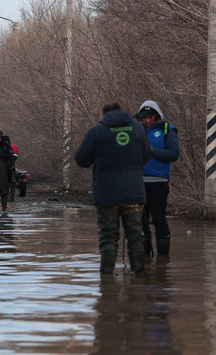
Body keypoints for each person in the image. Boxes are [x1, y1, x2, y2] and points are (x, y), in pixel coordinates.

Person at [74, 103, 151, 274]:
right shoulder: (139, 130)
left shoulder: (96, 131)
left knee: (108, 238)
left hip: (107, 194)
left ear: (104, 115)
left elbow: (81, 160)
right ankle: (138, 281)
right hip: (134, 193)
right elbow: (146, 157)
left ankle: (107, 284)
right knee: (136, 237)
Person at [136, 100, 179, 256]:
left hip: (158, 183)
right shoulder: (135, 131)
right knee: (140, 222)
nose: (146, 120)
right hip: (138, 184)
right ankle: (144, 261)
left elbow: (173, 154)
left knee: (159, 219)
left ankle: (162, 261)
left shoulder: (168, 130)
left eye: (150, 117)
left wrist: (151, 150)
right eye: (144, 117)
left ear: (156, 116)